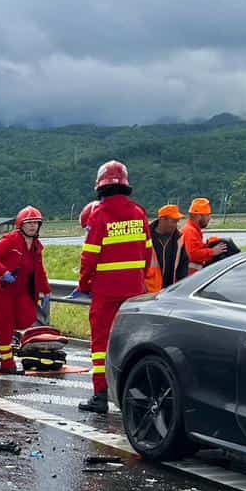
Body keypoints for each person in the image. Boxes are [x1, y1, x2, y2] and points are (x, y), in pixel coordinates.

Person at [77, 161, 152, 414]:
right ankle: (140, 395)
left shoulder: (99, 215)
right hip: (134, 291)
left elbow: (89, 256)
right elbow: (148, 254)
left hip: (106, 292)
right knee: (135, 342)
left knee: (101, 344)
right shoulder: (139, 213)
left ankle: (100, 397)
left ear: (101, 186)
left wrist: (84, 284)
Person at [0, 206, 49, 375]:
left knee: (27, 317)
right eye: (29, 223)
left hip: (21, 291)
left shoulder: (36, 246)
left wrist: (45, 290)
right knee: (6, 326)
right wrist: (4, 272)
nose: (32, 226)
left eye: (35, 223)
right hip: (2, 290)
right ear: (21, 224)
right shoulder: (11, 240)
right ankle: (7, 364)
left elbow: (39, 269)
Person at [181, 198, 238, 271]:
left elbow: (195, 249)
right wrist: (213, 251)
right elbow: (192, 254)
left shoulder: (193, 230)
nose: (209, 218)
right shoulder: (189, 231)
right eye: (207, 215)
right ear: (199, 216)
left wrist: (208, 245)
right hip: (191, 278)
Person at [150, 204, 188, 289]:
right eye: (174, 221)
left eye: (177, 222)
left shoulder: (179, 239)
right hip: (149, 291)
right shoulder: (146, 236)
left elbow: (183, 264)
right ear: (162, 219)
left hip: (169, 290)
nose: (175, 225)